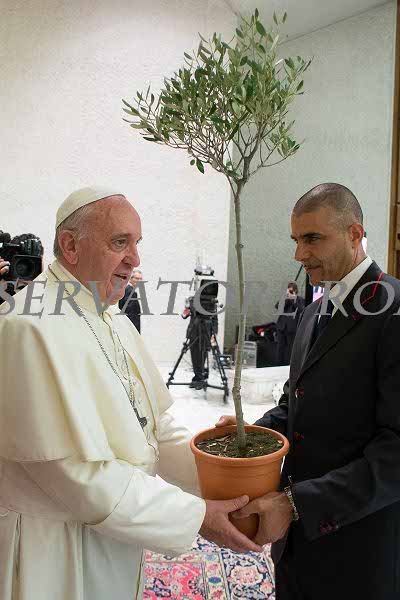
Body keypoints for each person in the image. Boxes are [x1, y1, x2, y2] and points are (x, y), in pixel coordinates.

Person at [0, 186, 261, 600]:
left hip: (118, 533)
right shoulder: (26, 327)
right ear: (70, 245)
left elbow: (153, 428)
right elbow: (74, 476)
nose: (135, 259)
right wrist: (195, 516)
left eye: (137, 243)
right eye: (120, 242)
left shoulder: (111, 316)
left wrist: (223, 471)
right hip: (53, 551)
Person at [217, 183, 400, 600]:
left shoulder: (392, 311)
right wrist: (252, 434)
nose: (299, 254)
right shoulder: (314, 311)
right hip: (296, 548)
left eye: (313, 238)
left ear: (355, 234)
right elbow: (294, 405)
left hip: (359, 551)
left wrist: (298, 504)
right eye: (296, 240)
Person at [275, 281, 305, 365]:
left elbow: (302, 310)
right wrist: (286, 299)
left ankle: (289, 365)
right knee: (280, 348)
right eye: (288, 291)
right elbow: (277, 306)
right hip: (281, 327)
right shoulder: (285, 299)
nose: (289, 293)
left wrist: (293, 300)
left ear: (295, 291)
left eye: (291, 291)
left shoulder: (300, 299)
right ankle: (278, 365)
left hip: (292, 329)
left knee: (290, 349)